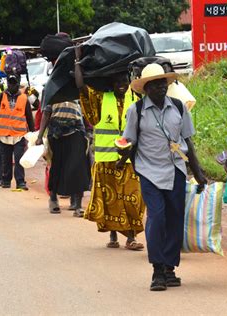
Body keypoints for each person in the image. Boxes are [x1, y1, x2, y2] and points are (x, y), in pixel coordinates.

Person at [124, 63, 207, 291]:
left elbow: (188, 141)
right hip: (149, 171)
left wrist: (197, 173)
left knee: (174, 220)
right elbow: (129, 141)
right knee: (156, 218)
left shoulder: (179, 108)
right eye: (155, 85)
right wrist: (125, 160)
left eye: (163, 83)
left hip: (176, 171)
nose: (161, 88)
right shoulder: (137, 110)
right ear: (146, 88)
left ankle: (170, 268)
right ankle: (157, 270)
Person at [75, 47, 145, 250]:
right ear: (110, 84)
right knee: (109, 199)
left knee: (132, 199)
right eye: (117, 82)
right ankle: (114, 235)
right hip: (106, 160)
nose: (121, 85)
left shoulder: (137, 98)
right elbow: (81, 87)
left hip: (132, 160)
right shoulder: (100, 100)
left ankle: (131, 237)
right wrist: (77, 62)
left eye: (124, 81)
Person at [36, 97, 90, 217]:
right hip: (56, 134)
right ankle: (53, 199)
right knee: (57, 167)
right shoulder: (53, 92)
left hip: (76, 131)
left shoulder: (77, 92)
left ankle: (78, 205)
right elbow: (46, 113)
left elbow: (85, 113)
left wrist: (88, 132)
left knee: (78, 168)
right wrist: (40, 136)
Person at [0, 74, 34, 190]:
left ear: (18, 84)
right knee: (6, 159)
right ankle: (6, 180)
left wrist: (33, 133)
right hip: (3, 134)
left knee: (19, 159)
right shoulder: (0, 97)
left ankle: (20, 182)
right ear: (7, 84)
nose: (12, 85)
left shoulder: (24, 98)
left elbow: (29, 117)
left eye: (14, 83)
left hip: (19, 135)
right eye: (10, 83)